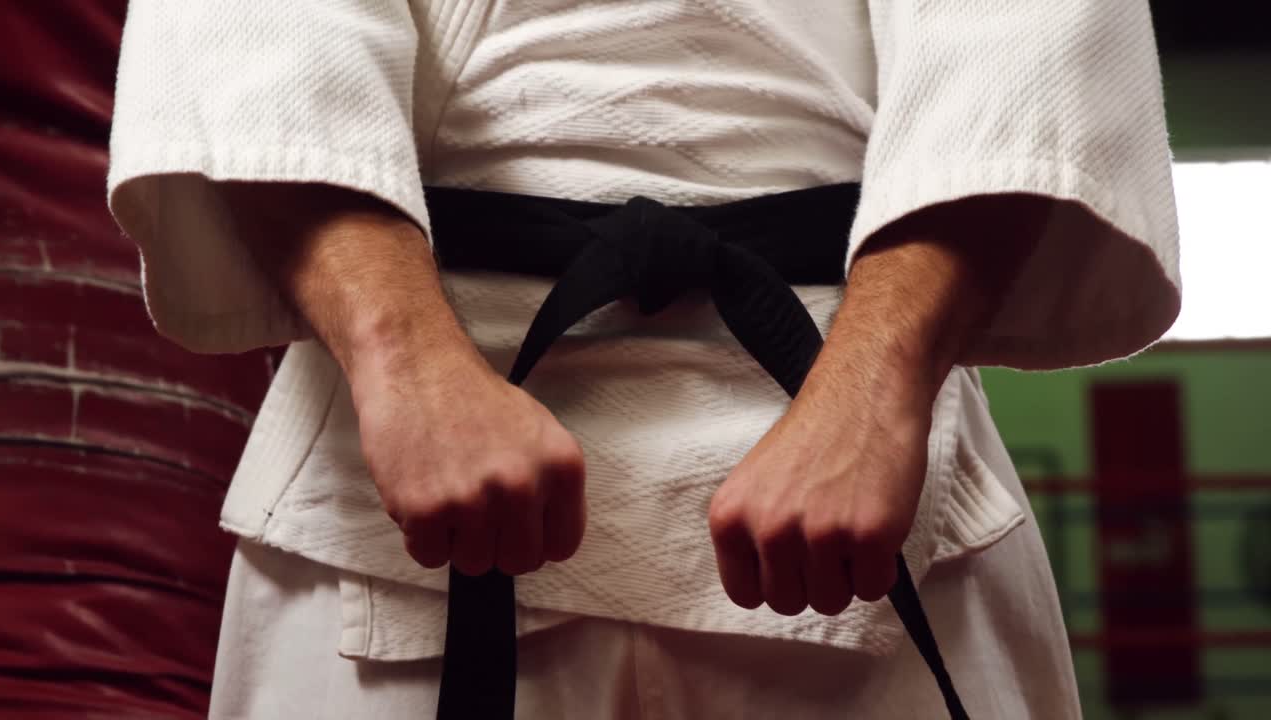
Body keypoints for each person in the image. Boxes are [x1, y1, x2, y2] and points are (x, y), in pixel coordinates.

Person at [107, 1, 1180, 717]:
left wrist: (876, 388)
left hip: (864, 426)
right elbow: (257, 32)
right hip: (401, 455)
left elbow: (1021, 42)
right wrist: (402, 358)